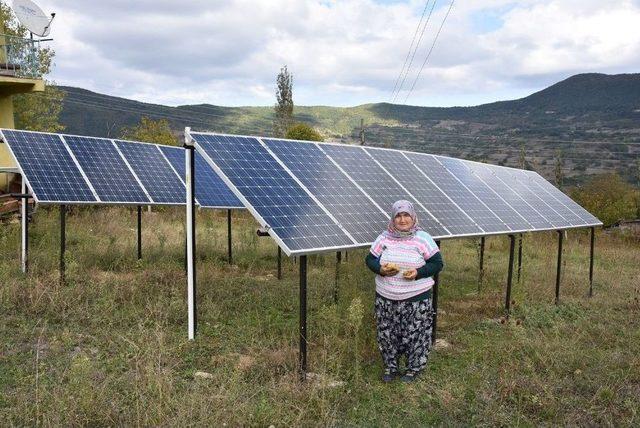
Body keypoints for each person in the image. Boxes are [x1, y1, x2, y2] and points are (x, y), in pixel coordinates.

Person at [365, 200, 444, 382]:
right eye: (398, 216)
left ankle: (413, 368)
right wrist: (380, 269)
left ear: (413, 217)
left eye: (406, 215)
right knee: (387, 334)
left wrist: (417, 272)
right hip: (386, 297)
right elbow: (370, 259)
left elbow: (437, 263)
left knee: (415, 334)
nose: (402, 220)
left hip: (416, 298)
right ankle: (390, 367)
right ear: (393, 219)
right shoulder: (384, 238)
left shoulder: (423, 238)